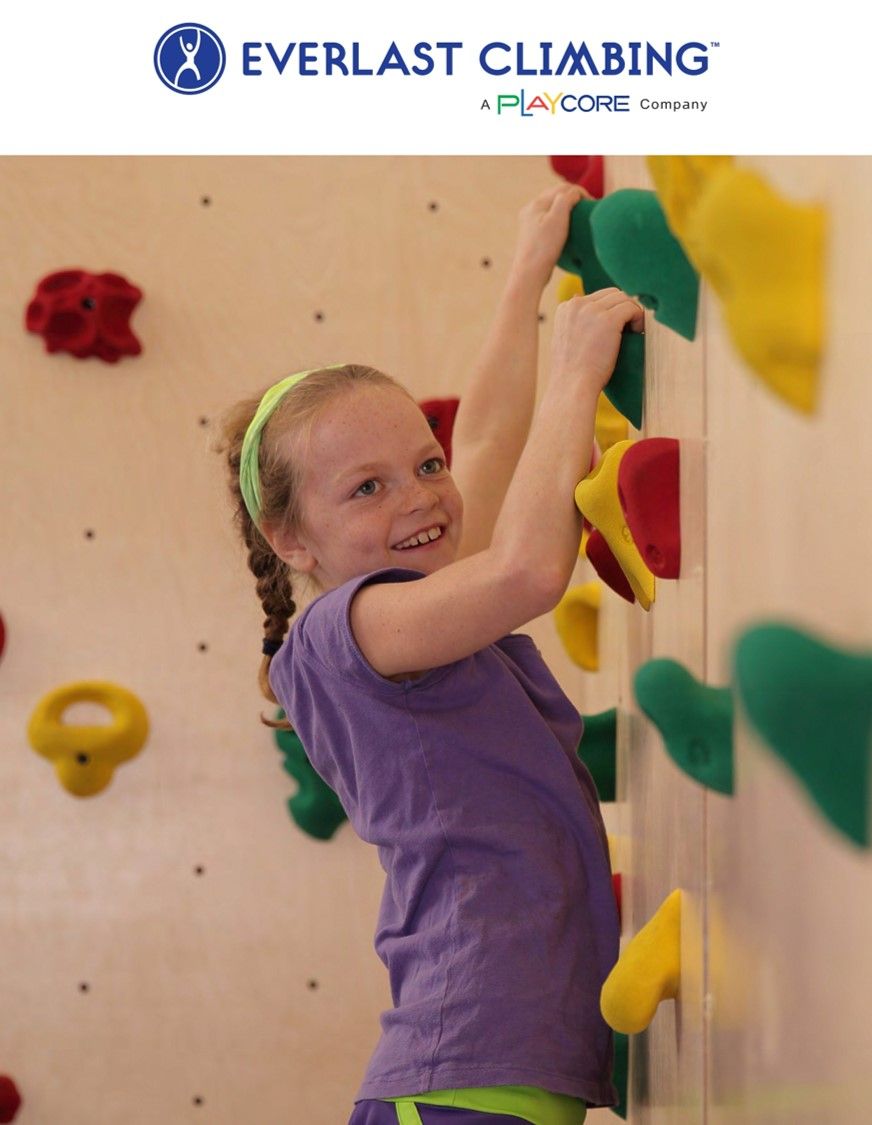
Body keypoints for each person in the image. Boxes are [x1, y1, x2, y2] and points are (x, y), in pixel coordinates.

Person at [219, 183, 644, 1125]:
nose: (417, 497)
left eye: (423, 465)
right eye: (367, 487)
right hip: (463, 1073)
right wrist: (577, 376)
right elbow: (531, 570)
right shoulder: (350, 632)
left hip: (491, 1068)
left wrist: (527, 273)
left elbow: (487, 437)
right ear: (293, 539)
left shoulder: (415, 600)